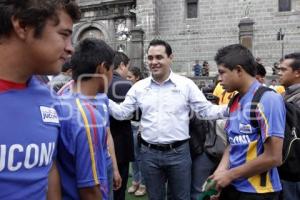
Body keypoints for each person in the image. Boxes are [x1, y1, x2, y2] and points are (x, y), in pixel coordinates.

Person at [108, 39, 226, 200]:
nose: (154, 62)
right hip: (149, 155)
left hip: (179, 154)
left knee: (180, 198)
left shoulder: (186, 85)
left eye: (159, 57)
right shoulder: (139, 87)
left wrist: (232, 109)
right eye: (150, 58)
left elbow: (206, 111)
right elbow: (122, 113)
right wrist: (100, 97)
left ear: (171, 58)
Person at [0, 1, 80, 199]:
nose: (71, 48)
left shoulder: (48, 98)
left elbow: (49, 167)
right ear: (22, 26)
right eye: (63, 34)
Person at [210, 44, 285, 200]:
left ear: (238, 70)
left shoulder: (268, 99)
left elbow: (273, 157)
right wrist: (220, 172)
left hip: (259, 192)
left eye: (222, 72)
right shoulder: (235, 100)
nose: (219, 78)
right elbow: (233, 142)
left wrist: (229, 175)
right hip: (233, 186)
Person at [57, 38, 115, 200]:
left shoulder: (61, 98)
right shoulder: (89, 117)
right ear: (102, 68)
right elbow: (89, 189)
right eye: (112, 69)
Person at [107, 51, 134, 200]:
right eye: (127, 68)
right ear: (122, 65)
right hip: (121, 143)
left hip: (102, 142)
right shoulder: (126, 84)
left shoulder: (99, 82)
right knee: (119, 188)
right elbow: (136, 114)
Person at [278, 52, 300, 200]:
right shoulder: (286, 94)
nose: (279, 73)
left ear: (297, 73)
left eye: (283, 70)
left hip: (294, 168)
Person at [126, 67, 147, 197]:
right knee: (133, 157)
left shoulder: (143, 90)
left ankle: (143, 183)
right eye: (127, 77)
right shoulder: (128, 90)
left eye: (130, 77)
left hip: (141, 127)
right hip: (131, 125)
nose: (127, 79)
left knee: (142, 157)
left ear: (137, 77)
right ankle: (135, 181)